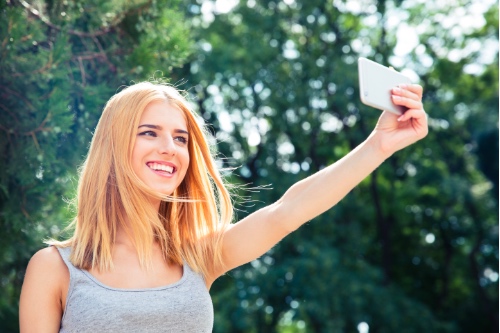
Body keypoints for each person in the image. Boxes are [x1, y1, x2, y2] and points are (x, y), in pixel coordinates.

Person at [19, 80, 428, 332]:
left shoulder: (198, 256)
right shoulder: (56, 268)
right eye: (150, 133)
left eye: (181, 138)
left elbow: (287, 211)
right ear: (112, 147)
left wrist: (379, 145)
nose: (170, 148)